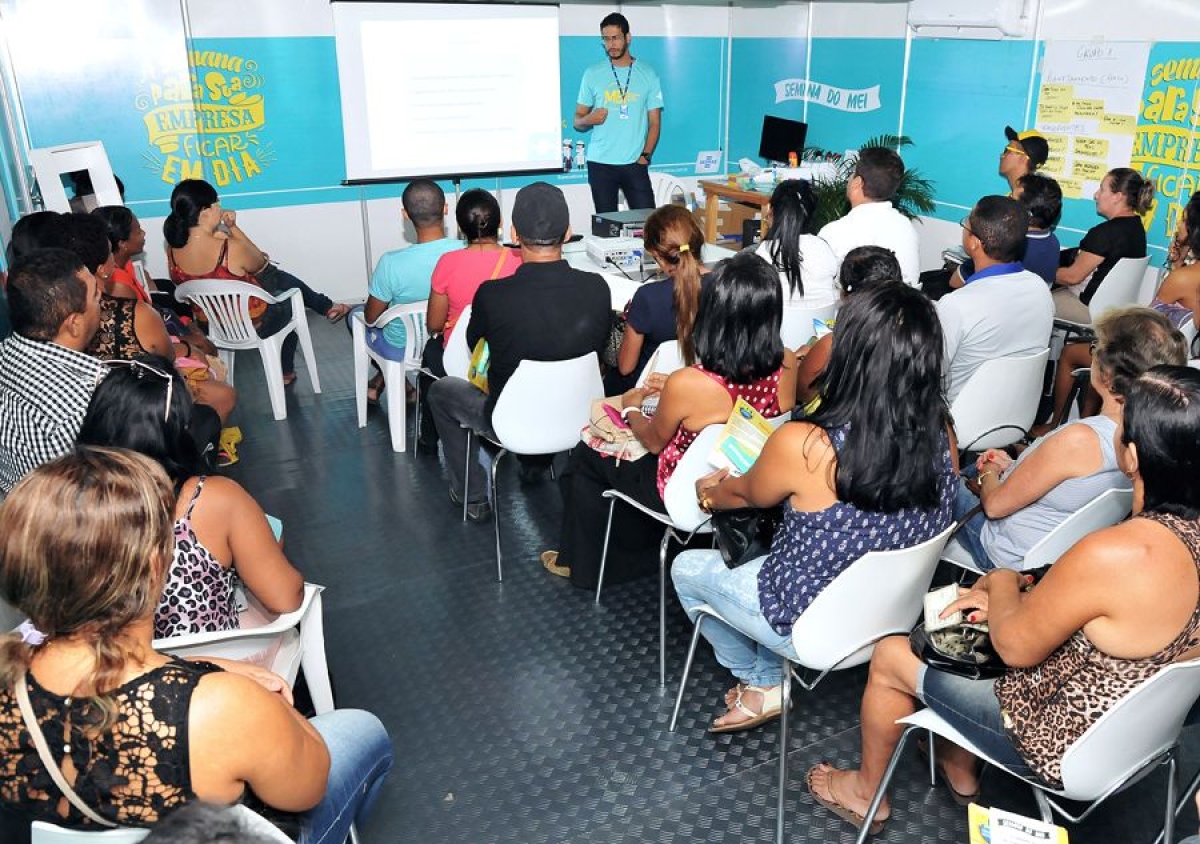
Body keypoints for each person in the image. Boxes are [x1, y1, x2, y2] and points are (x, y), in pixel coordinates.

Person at [806, 365, 1200, 836]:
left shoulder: (1117, 552)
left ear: (1132, 455)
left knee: (893, 654)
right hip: (1140, 738)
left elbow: (1015, 646)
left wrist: (1003, 580)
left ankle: (865, 792)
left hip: (1055, 738)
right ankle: (958, 764)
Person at [0, 447, 393, 844]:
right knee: (363, 730)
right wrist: (269, 705)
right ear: (156, 566)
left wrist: (199, 663)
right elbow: (308, 787)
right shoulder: (219, 706)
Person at [671, 283, 955, 732]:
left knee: (686, 569)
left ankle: (762, 683)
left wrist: (708, 493)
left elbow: (744, 495)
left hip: (804, 619)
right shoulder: (941, 431)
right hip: (893, 614)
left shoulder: (808, 444)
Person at [547, 250, 798, 588]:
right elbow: (747, 409)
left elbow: (652, 441)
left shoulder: (689, 383)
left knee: (586, 455)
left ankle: (588, 568)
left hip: (682, 490)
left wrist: (632, 409)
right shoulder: (787, 364)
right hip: (746, 484)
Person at [76, 356, 304, 639]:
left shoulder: (65, 501)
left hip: (111, 669)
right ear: (179, 428)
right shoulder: (210, 498)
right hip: (206, 668)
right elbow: (285, 597)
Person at [426, 182, 611, 521]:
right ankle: (537, 464)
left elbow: (473, 344)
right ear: (569, 233)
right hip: (580, 418)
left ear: (512, 233)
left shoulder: (493, 295)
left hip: (509, 420)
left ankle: (474, 495)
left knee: (440, 391)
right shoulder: (598, 288)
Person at [953, 307, 1187, 570]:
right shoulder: (1158, 434)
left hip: (1004, 552)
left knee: (936, 477)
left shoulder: (1080, 439)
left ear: (1108, 375)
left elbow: (995, 507)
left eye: (1096, 348)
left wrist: (990, 472)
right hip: (1057, 555)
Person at [163, 179, 350, 385]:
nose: (220, 207)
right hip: (253, 322)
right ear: (205, 210)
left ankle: (326, 306)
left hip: (211, 325)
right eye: (217, 202)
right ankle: (287, 369)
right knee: (285, 292)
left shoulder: (172, 250)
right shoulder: (228, 248)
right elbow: (262, 264)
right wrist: (232, 228)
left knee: (279, 283)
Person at [419, 188, 521, 450]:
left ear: (461, 228)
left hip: (462, 361)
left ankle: (429, 440)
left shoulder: (448, 262)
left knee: (430, 353)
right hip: (511, 358)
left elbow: (433, 324)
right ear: (500, 223)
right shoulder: (517, 260)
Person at [0, 248, 106, 496]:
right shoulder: (83, 400)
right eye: (96, 297)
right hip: (69, 524)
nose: (102, 296)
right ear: (74, 324)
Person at [936, 195, 1054, 403]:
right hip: (1015, 412)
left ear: (974, 243)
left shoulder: (957, 305)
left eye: (966, 223)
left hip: (955, 417)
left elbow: (932, 371)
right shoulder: (1040, 289)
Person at [354, 179, 459, 405]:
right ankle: (403, 386)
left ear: (405, 214)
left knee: (355, 316)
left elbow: (371, 317)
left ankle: (392, 380)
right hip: (452, 340)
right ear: (446, 209)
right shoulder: (465, 253)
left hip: (403, 347)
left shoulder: (391, 263)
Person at [606, 204, 707, 394]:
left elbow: (626, 367)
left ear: (659, 258)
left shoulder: (648, 297)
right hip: (700, 385)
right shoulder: (727, 285)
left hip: (647, 390)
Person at [574, 12, 663, 213]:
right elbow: (577, 121)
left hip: (634, 163)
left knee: (648, 222)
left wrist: (645, 157)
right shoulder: (592, 73)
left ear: (627, 38)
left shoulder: (648, 73)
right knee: (607, 229)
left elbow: (655, 123)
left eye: (615, 37)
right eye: (606, 39)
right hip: (600, 164)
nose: (611, 44)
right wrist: (589, 118)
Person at [795, 246, 902, 407]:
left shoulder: (833, 344)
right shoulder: (916, 335)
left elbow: (802, 393)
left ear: (848, 294)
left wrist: (802, 363)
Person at [1054, 167, 1153, 323]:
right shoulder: (1137, 229)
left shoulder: (1105, 233)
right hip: (1116, 311)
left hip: (1089, 308)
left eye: (1102, 189)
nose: (1096, 195)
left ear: (1118, 197)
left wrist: (1038, 271)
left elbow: (1072, 277)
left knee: (1034, 300)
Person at [817, 147, 920, 286]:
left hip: (855, 306)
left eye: (852, 174)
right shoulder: (906, 227)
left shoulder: (833, 233)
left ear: (857, 183)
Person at [950, 172, 1062, 289]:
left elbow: (955, 282)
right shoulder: (1053, 242)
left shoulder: (1008, 246)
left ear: (1024, 214)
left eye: (1011, 198)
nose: (1005, 199)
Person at [754, 178, 839, 307]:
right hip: (821, 326)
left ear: (772, 212)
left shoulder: (764, 252)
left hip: (780, 326)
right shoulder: (824, 248)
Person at [998, 126, 1049, 195]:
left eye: (1008, 150)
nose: (1001, 155)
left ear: (1025, 158)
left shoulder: (1031, 202)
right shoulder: (1009, 199)